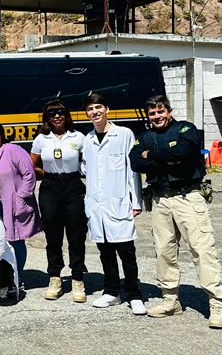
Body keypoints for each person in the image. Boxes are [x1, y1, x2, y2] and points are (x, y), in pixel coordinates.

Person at [130, 95, 222, 329]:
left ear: (169, 111)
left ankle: (217, 305)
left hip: (188, 197)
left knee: (202, 250)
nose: (157, 116)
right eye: (152, 113)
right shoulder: (145, 136)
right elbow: (135, 162)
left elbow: (183, 153)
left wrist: (150, 155)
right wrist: (165, 158)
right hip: (160, 199)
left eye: (160, 111)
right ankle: (170, 300)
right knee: (164, 251)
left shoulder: (186, 129)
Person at [82, 93, 146, 315]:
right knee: (105, 252)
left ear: (107, 109)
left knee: (126, 252)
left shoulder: (124, 134)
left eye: (98, 107)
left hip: (119, 202)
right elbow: (86, 168)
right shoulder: (88, 139)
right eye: (91, 109)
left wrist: (136, 201)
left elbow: (132, 171)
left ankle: (134, 294)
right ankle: (112, 292)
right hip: (96, 205)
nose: (95, 112)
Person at [30, 99, 88, 303]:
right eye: (52, 114)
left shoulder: (78, 137)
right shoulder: (41, 139)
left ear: (66, 115)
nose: (57, 117)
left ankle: (77, 278)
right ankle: (55, 277)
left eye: (60, 113)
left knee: (76, 234)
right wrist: (45, 174)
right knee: (53, 235)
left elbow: (86, 161)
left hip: (72, 185)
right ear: (47, 118)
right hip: (50, 187)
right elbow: (32, 164)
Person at [0, 120, 39, 280]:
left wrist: (21, 197)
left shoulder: (13, 150)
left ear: (1, 134)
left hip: (12, 204)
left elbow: (29, 175)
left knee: (15, 240)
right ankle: (3, 275)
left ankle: (16, 276)